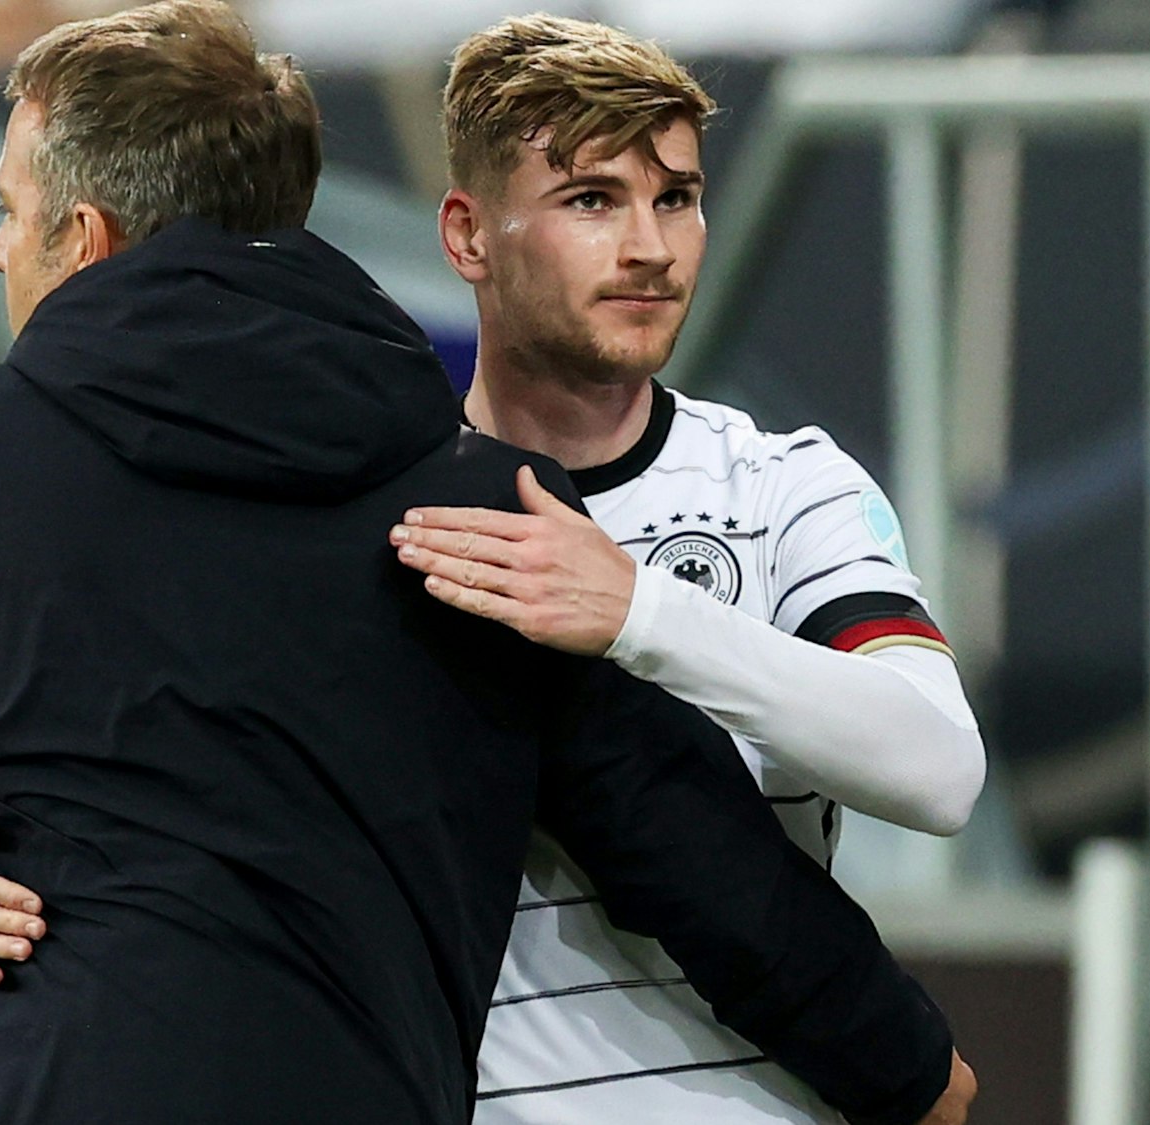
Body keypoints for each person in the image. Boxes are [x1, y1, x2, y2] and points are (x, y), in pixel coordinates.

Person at [0, 3, 969, 1123]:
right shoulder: (465, 513)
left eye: (7, 210)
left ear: (84, 239)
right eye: (593, 201)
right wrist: (912, 1071)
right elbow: (685, 847)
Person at [381, 16, 989, 1123]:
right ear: (467, 236)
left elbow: (938, 770)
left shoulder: (780, 485)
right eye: (590, 201)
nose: (650, 247)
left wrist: (638, 613)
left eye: (676, 197)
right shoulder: (393, 515)